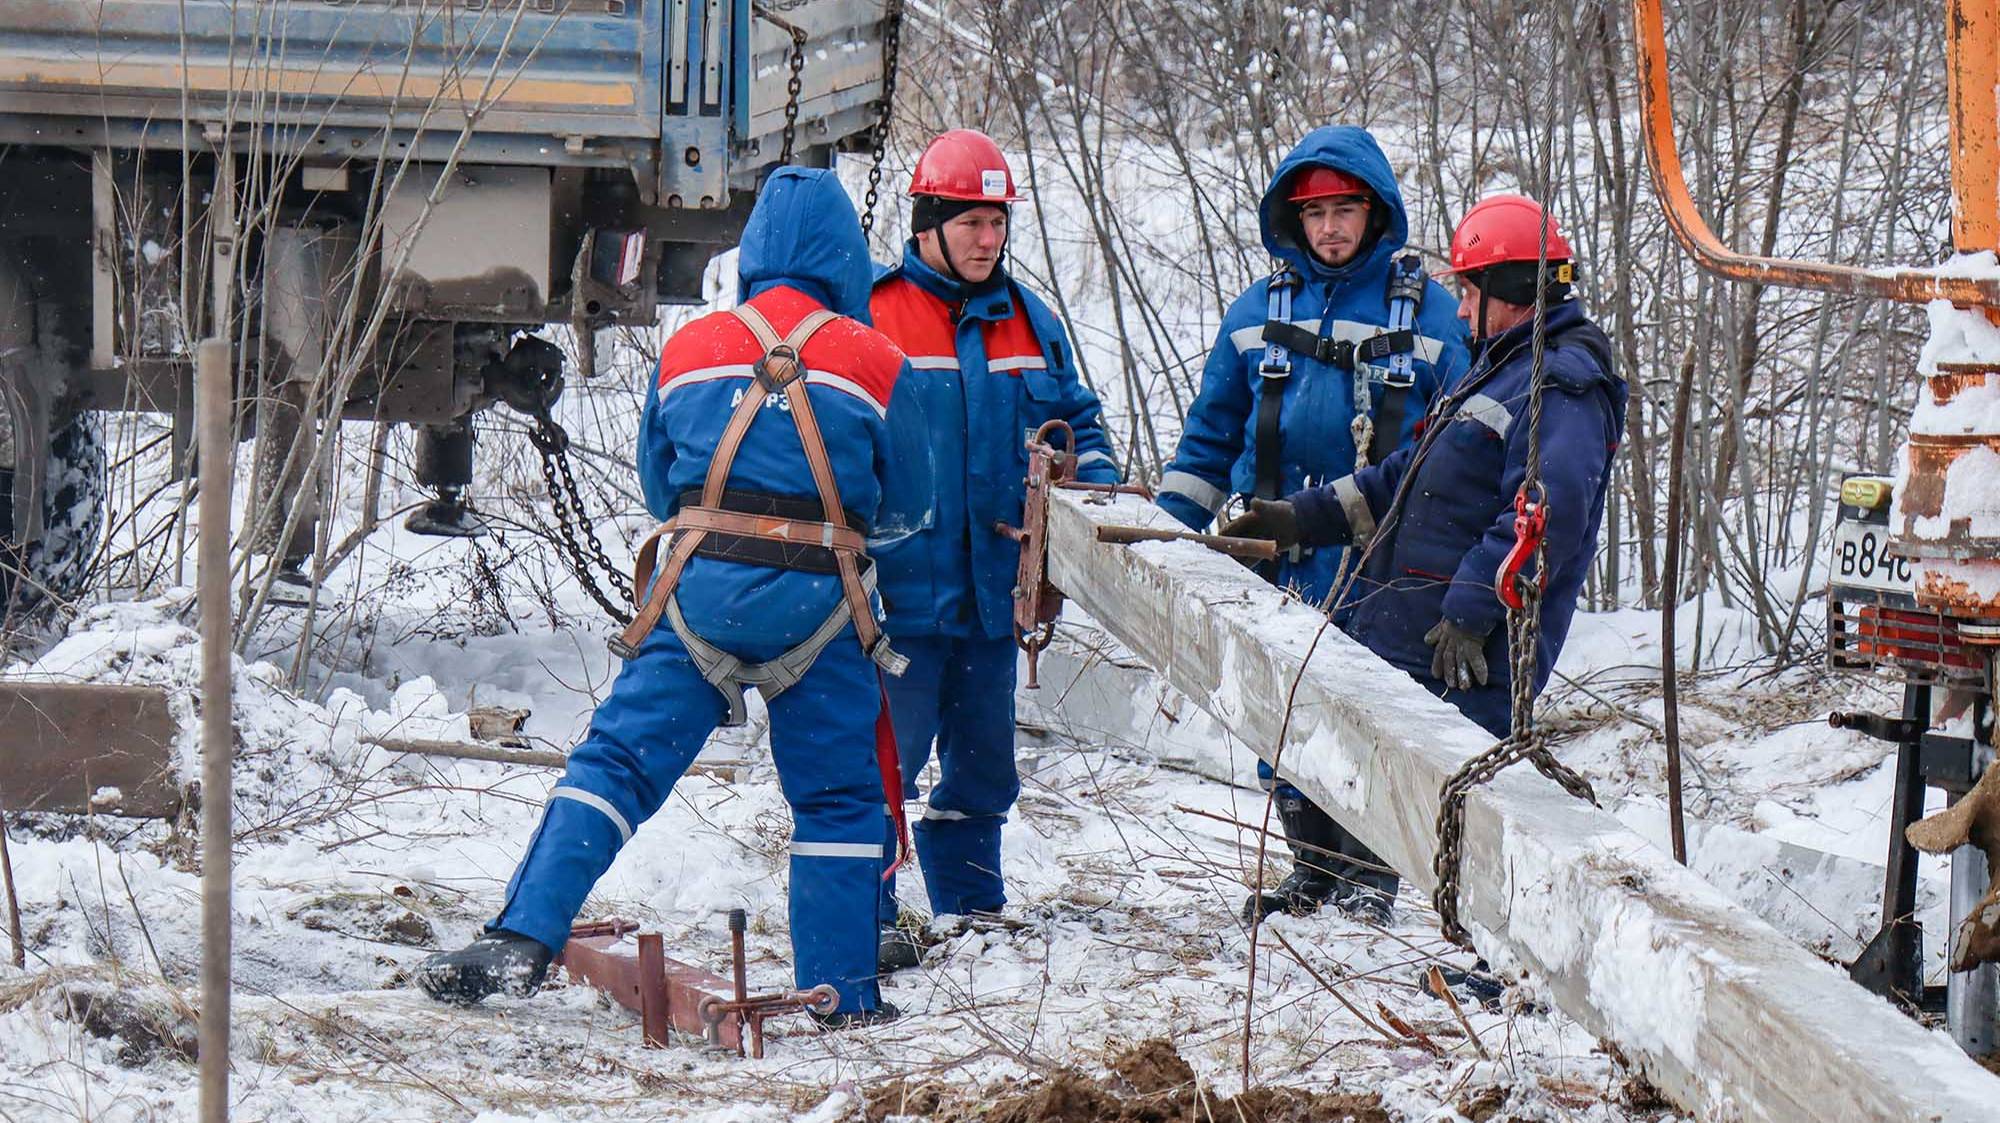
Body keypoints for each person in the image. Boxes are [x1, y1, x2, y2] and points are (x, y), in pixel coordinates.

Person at [415, 166, 933, 1029]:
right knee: (839, 798)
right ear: (845, 256)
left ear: (756, 253)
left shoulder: (691, 346)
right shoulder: (877, 361)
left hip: (700, 601)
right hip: (826, 605)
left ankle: (521, 937)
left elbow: (664, 488)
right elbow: (910, 509)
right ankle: (842, 995)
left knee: (614, 763)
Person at [1156, 126, 1470, 924]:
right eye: (1316, 212)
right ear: (1293, 220)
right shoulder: (1257, 312)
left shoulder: (1433, 316)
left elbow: (1466, 452)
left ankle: (1372, 871)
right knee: (1281, 711)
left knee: (1368, 714)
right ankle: (1314, 867)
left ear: (1375, 212)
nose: (1330, 228)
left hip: (1382, 561)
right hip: (1272, 555)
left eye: (1345, 210)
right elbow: (1208, 437)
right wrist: (1165, 543)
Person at [1225, 192, 1626, 744]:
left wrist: (1469, 612)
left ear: (1510, 289)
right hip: (1408, 639)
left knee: (1415, 819)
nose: (1460, 310)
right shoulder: (1498, 367)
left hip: (1459, 662)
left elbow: (1546, 519)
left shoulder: (1559, 387)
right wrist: (1300, 517)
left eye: (1469, 292)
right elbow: (1407, 478)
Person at [868, 129, 1120, 967]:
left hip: (993, 599)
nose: (989, 240)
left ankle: (971, 906)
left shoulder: (1030, 319)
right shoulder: (874, 312)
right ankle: (862, 909)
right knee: (882, 769)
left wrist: (1095, 494)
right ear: (929, 219)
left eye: (999, 223)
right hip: (899, 602)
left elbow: (1079, 421)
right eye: (973, 222)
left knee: (983, 769)